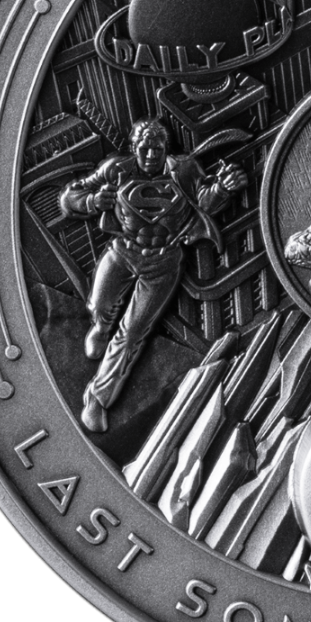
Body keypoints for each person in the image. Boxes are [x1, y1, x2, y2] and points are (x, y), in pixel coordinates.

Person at [59, 118, 246, 432]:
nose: (150, 155)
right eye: (144, 148)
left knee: (132, 333)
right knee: (100, 305)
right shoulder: (115, 170)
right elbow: (69, 198)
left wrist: (222, 189)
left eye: (157, 149)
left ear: (165, 148)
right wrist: (92, 200)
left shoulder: (184, 169)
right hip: (122, 252)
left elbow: (204, 202)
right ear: (134, 148)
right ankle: (101, 327)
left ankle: (98, 399)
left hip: (164, 260)